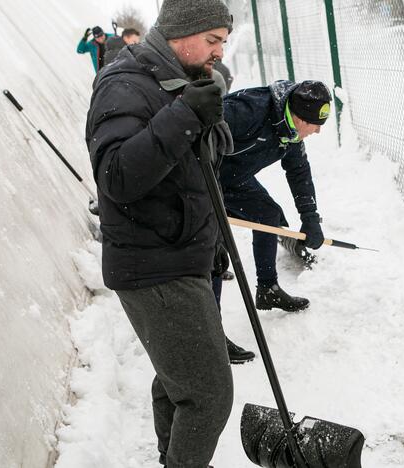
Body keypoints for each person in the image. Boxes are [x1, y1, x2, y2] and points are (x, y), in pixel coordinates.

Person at [84, 0, 236, 465]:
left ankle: (171, 456)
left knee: (179, 381)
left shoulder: (179, 79)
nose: (219, 53)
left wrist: (212, 242)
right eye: (212, 41)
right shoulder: (124, 83)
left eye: (223, 44)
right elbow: (116, 177)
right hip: (154, 266)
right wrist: (186, 114)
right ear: (178, 33)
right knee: (208, 396)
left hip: (179, 254)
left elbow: (191, 173)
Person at [217, 80, 332, 312]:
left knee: (267, 214)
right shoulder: (247, 110)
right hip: (205, 178)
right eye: (315, 125)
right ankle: (211, 329)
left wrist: (310, 216)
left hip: (236, 178)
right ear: (300, 118)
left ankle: (268, 289)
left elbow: (299, 172)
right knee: (212, 250)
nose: (318, 131)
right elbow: (194, 133)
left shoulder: (291, 133)